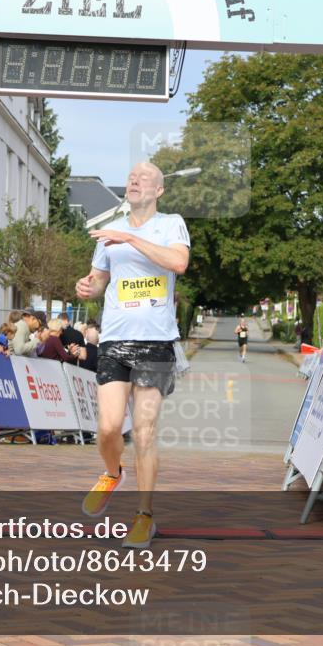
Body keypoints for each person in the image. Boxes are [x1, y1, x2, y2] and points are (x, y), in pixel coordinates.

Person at [75, 161, 190, 549]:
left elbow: (178, 263)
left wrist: (130, 239)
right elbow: (98, 280)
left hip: (155, 342)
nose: (135, 181)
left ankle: (143, 516)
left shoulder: (170, 224)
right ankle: (112, 473)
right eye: (131, 178)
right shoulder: (110, 232)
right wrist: (87, 287)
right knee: (108, 428)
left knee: (144, 432)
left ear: (159, 190)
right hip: (115, 340)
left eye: (144, 178)